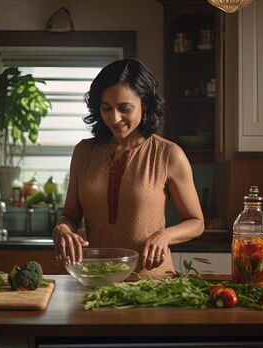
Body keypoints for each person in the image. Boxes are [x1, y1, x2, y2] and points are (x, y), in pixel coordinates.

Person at [52, 58, 204, 276]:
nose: (114, 118)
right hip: (98, 282)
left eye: (124, 108)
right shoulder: (83, 152)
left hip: (153, 285)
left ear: (145, 104)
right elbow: (70, 215)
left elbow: (196, 222)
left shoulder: (168, 154)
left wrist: (165, 235)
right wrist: (62, 229)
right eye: (106, 108)